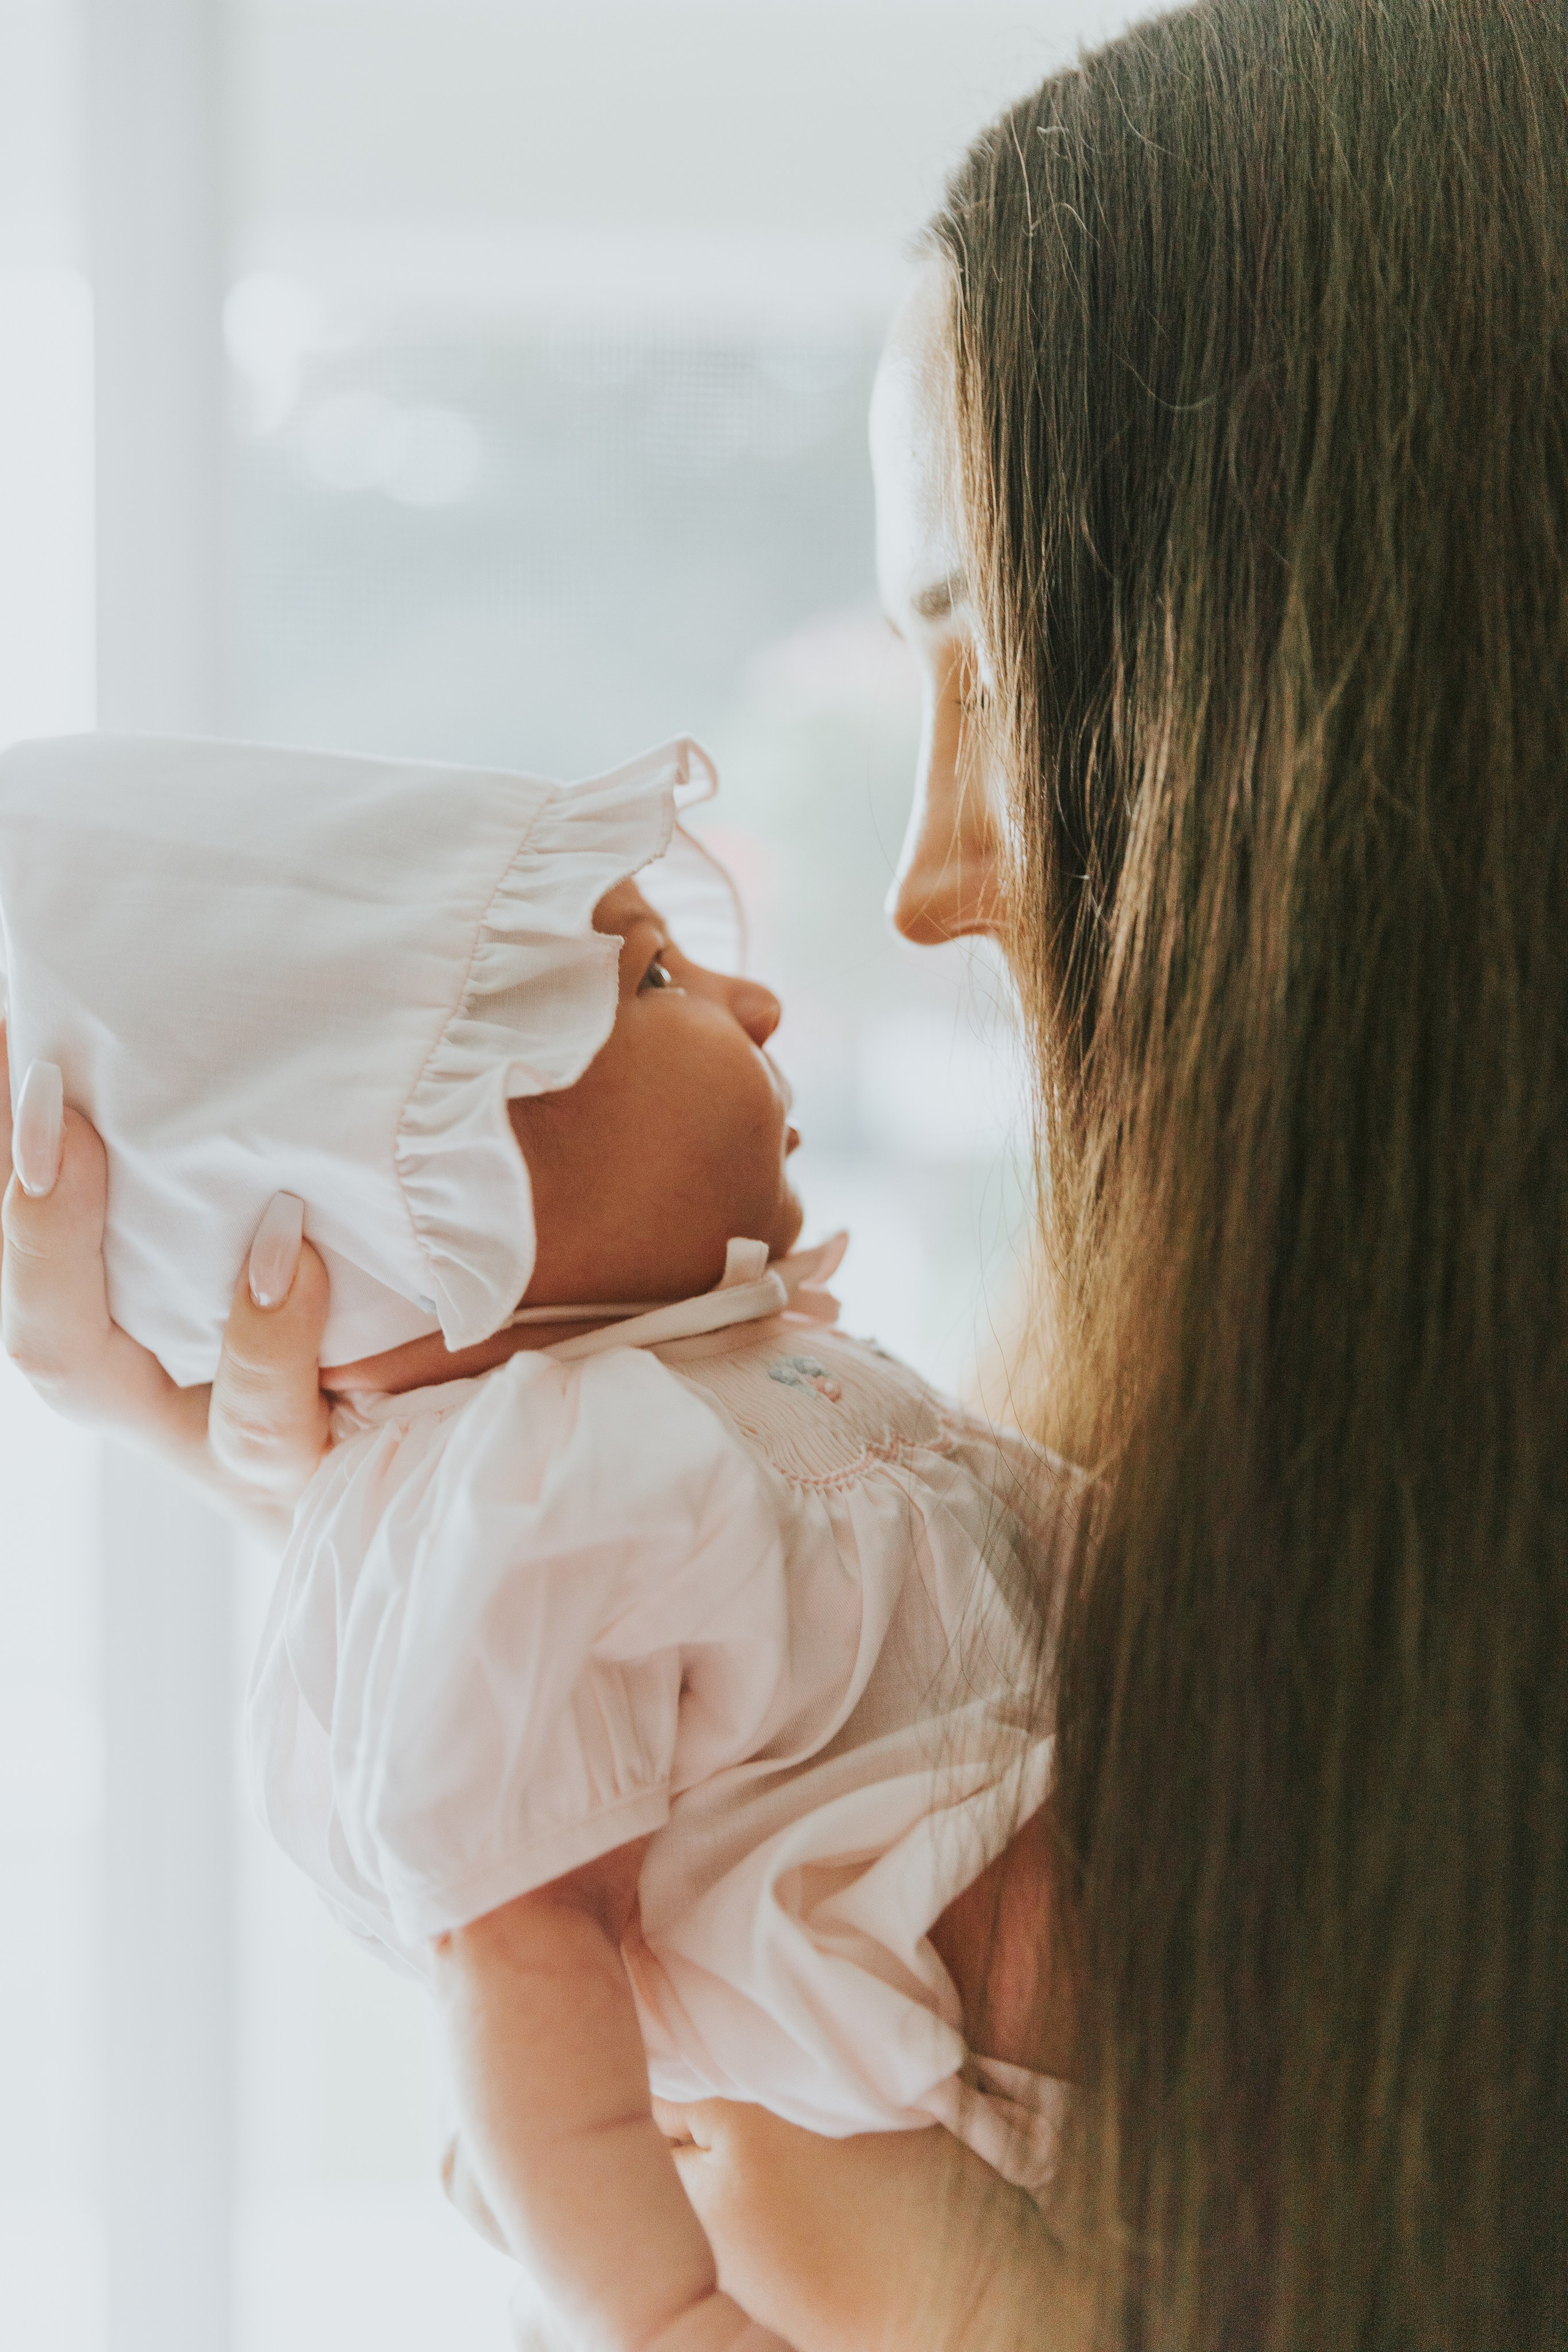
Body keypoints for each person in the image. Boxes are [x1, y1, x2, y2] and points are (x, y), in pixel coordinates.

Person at [4, 0, 1565, 2342]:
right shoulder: (1240, 1473)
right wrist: (286, 1462)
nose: (930, 881)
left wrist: (960, 2301)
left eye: (1000, 657)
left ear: (1339, 676)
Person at [0, 727, 1079, 2351]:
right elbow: (515, 1952)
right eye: (652, 983)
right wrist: (663, 2313)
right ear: (414, 1214)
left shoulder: (728, 1375)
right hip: (971, 2051)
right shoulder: (535, 1495)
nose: (758, 1009)